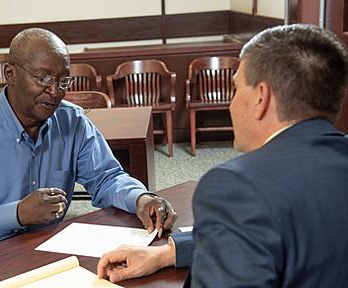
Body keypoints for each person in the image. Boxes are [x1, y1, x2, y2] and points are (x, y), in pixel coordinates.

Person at [97, 24, 348, 287]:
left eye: (236, 89)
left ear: (261, 98)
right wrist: (166, 253)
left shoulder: (237, 187)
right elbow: (310, 227)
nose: (231, 103)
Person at [0, 28, 177, 251]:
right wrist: (17, 214)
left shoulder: (71, 120)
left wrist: (140, 199)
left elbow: (106, 178)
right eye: (43, 78)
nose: (55, 91)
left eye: (63, 80)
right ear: (10, 74)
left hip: (49, 247)